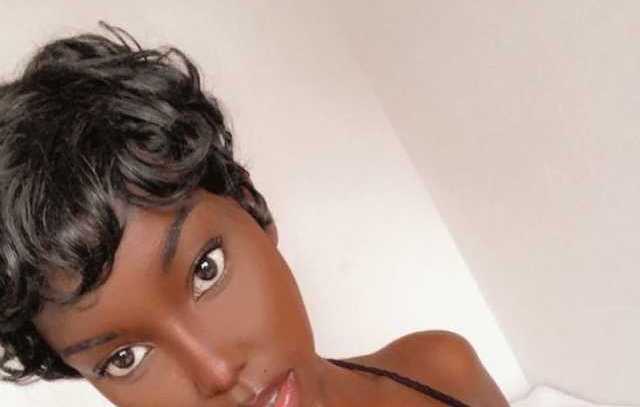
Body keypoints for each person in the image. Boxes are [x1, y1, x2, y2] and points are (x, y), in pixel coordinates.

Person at [0, 23, 510, 407]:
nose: (217, 373)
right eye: (123, 359)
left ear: (250, 205)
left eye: (206, 270)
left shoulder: (442, 371)